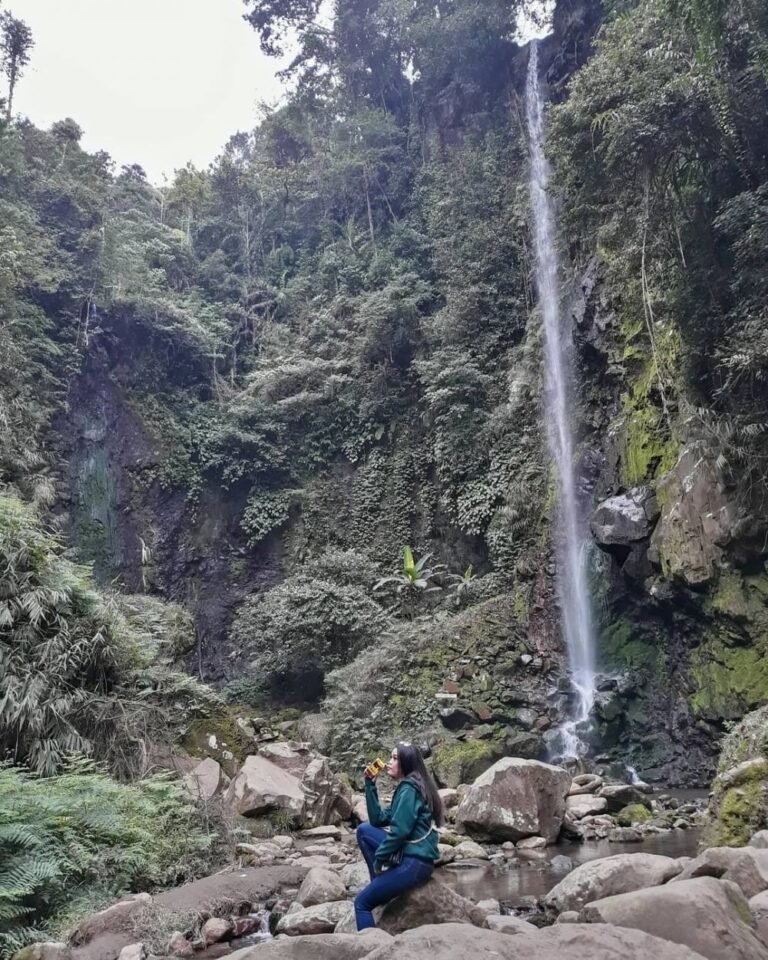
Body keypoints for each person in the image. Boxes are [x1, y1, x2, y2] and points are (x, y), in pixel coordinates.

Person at [354, 741, 444, 930]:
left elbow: (400, 832)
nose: (389, 762)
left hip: (414, 862)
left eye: (395, 758)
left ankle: (367, 948)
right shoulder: (408, 787)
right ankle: (379, 886)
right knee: (363, 830)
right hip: (412, 856)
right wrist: (370, 785)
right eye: (390, 757)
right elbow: (378, 820)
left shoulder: (409, 790)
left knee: (361, 904)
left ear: (406, 763)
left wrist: (379, 861)